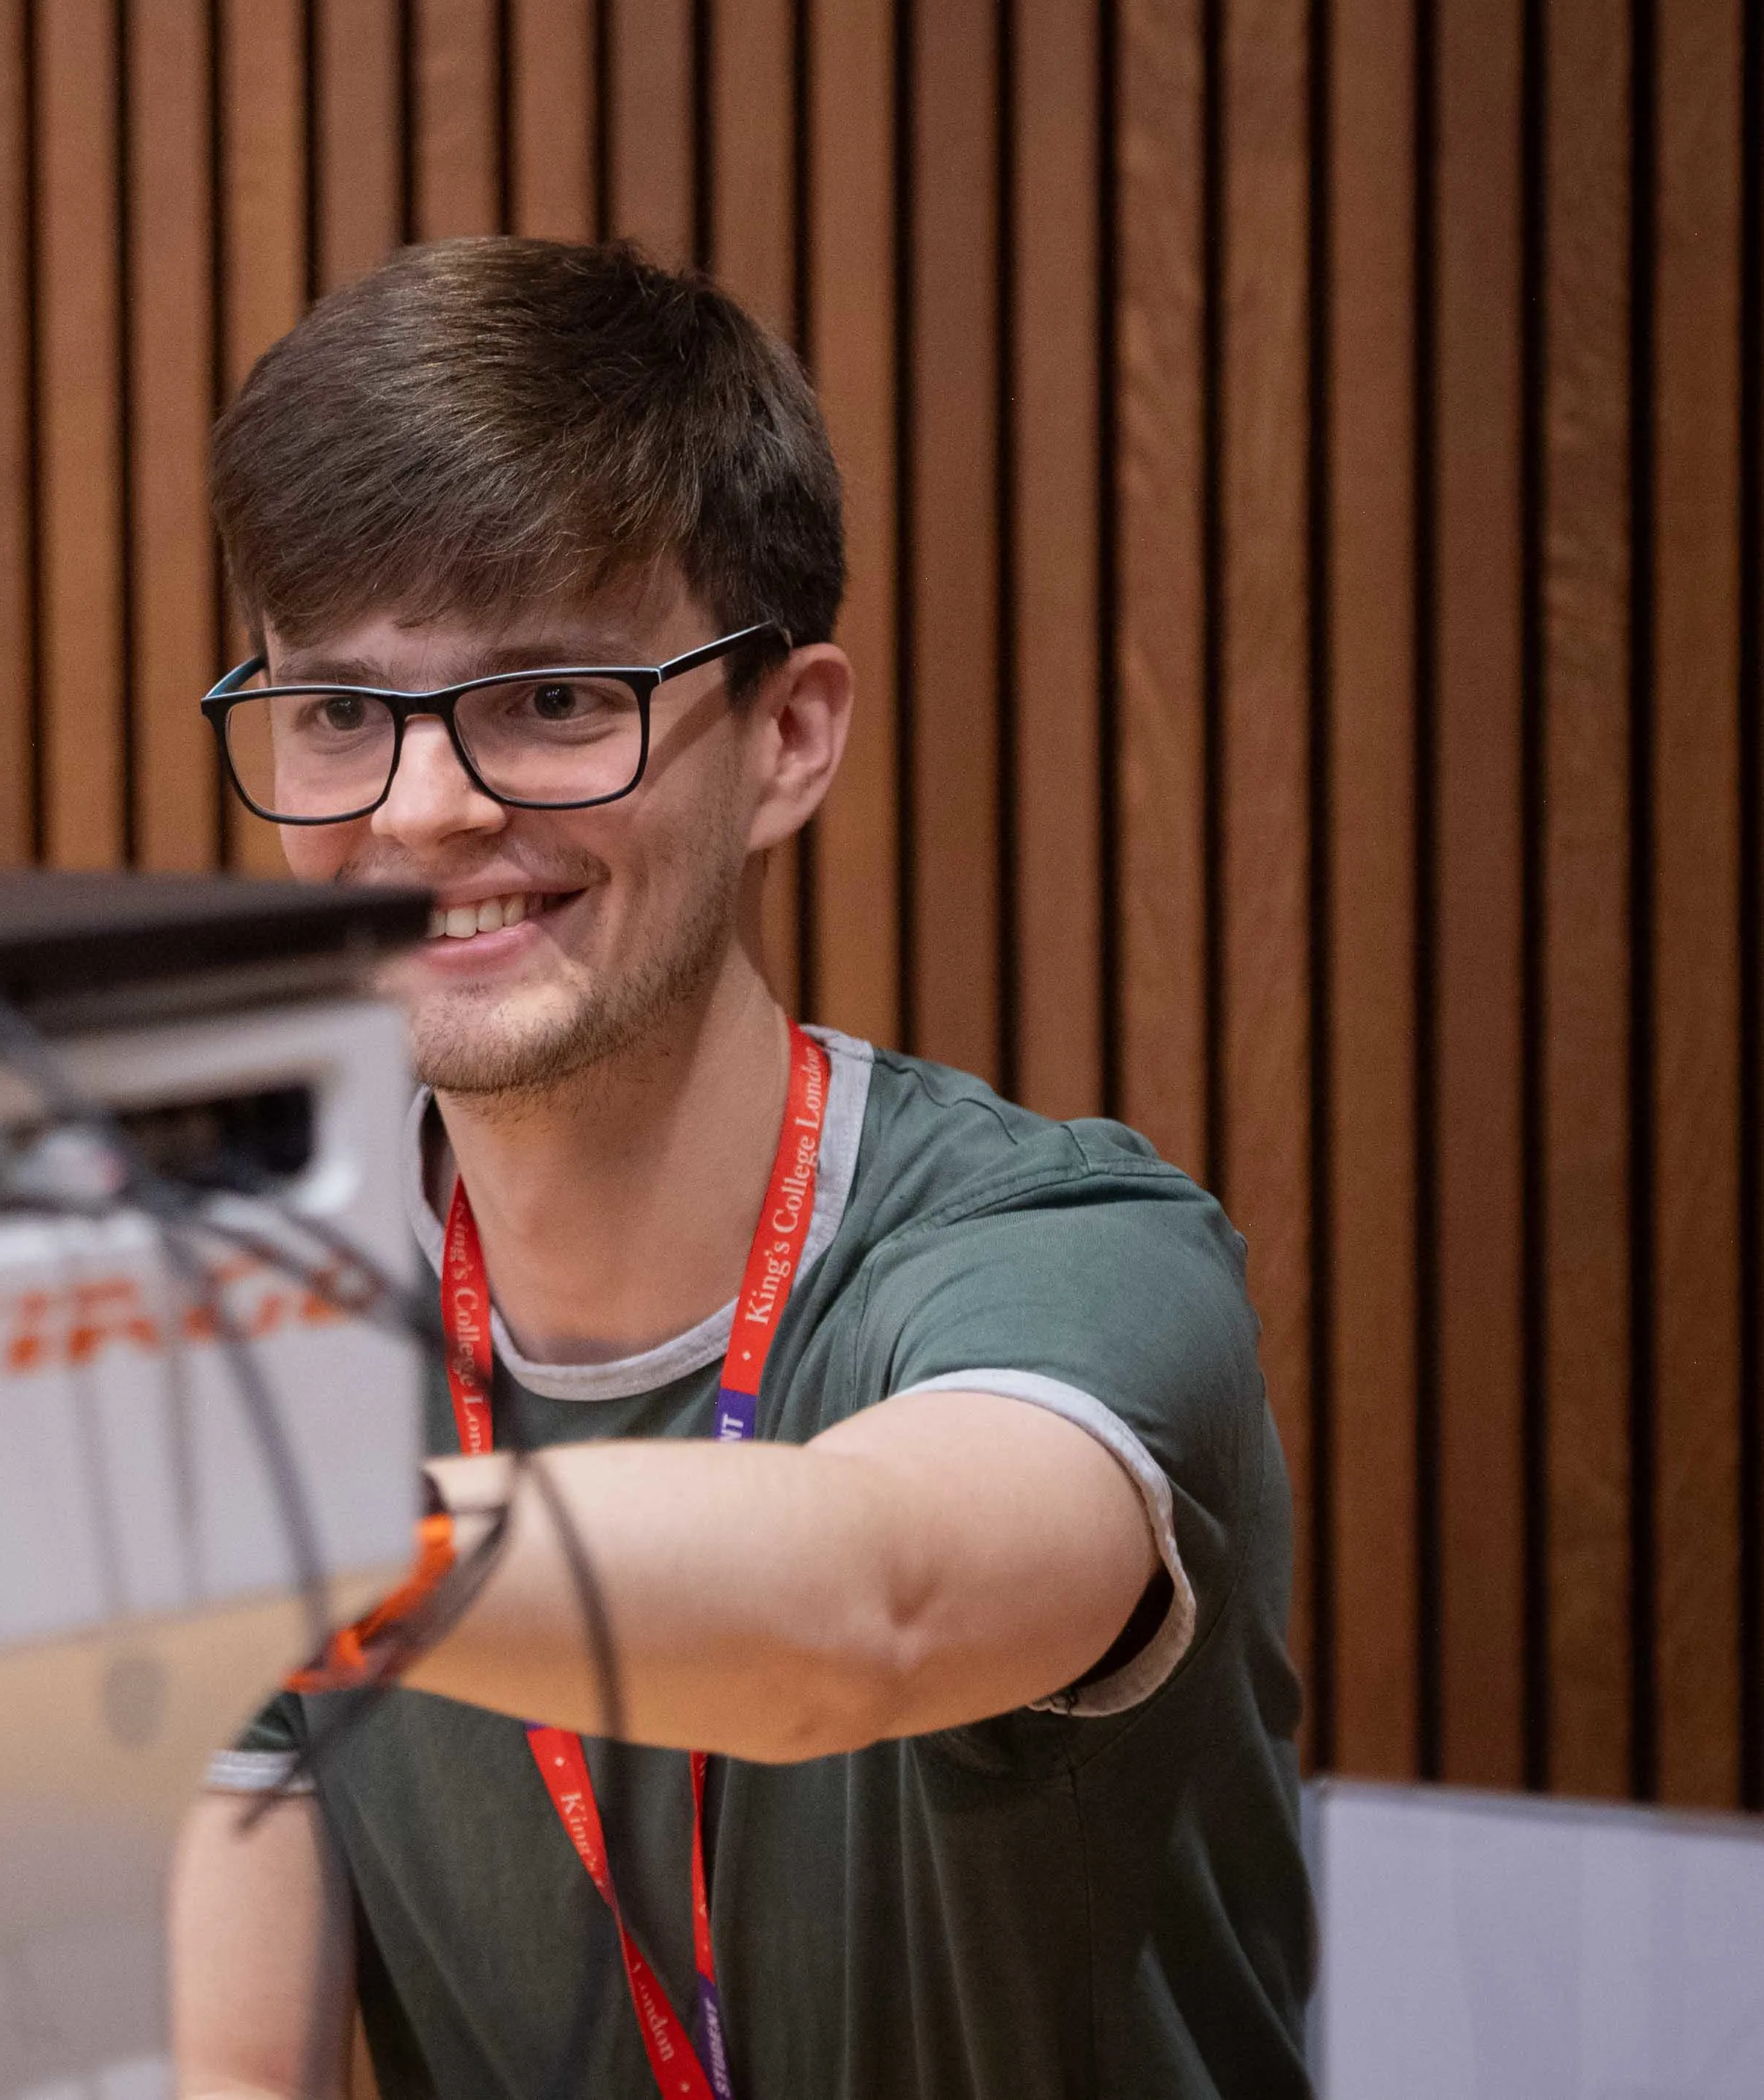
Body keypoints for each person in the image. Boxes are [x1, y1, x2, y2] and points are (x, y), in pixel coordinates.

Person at [167, 238, 1311, 2100]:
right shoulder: (273, 1321)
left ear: (787, 735)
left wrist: (244, 1535)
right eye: (342, 713)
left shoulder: (1069, 1255)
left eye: (548, 697)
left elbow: (863, 1611)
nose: (422, 806)